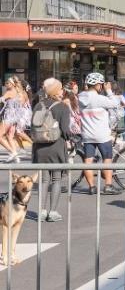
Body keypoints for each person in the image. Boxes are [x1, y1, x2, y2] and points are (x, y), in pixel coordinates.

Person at [31, 78, 72, 222]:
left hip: (39, 148)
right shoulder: (63, 107)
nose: (62, 91)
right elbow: (66, 131)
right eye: (61, 88)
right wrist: (72, 138)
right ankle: (53, 212)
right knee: (56, 179)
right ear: (56, 90)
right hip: (56, 147)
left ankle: (41, 212)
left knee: (43, 180)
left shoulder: (38, 106)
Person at [78, 73, 123, 196]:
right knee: (107, 160)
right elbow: (115, 103)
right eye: (101, 85)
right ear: (98, 85)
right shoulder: (99, 98)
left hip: (87, 135)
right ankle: (108, 185)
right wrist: (109, 91)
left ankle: (91, 187)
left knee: (88, 161)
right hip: (102, 135)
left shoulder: (80, 97)